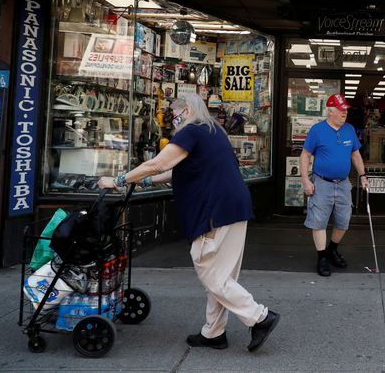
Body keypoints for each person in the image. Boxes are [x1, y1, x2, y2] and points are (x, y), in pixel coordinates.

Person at [98, 93, 279, 352]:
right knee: (222, 275)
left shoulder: (191, 131)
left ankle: (260, 317)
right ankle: (214, 332)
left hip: (215, 211)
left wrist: (118, 180)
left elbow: (159, 163)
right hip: (234, 207)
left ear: (187, 111)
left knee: (211, 274)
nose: (173, 120)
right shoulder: (213, 131)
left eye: (174, 115)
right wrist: (144, 182)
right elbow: (177, 170)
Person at [300, 93, 369, 277]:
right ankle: (321, 257)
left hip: (344, 184)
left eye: (345, 109)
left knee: (343, 222)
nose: (344, 113)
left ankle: (332, 250)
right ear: (330, 111)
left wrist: (363, 175)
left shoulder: (349, 129)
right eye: (340, 110)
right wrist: (306, 180)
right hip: (322, 183)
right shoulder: (317, 130)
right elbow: (305, 155)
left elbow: (355, 154)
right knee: (319, 221)